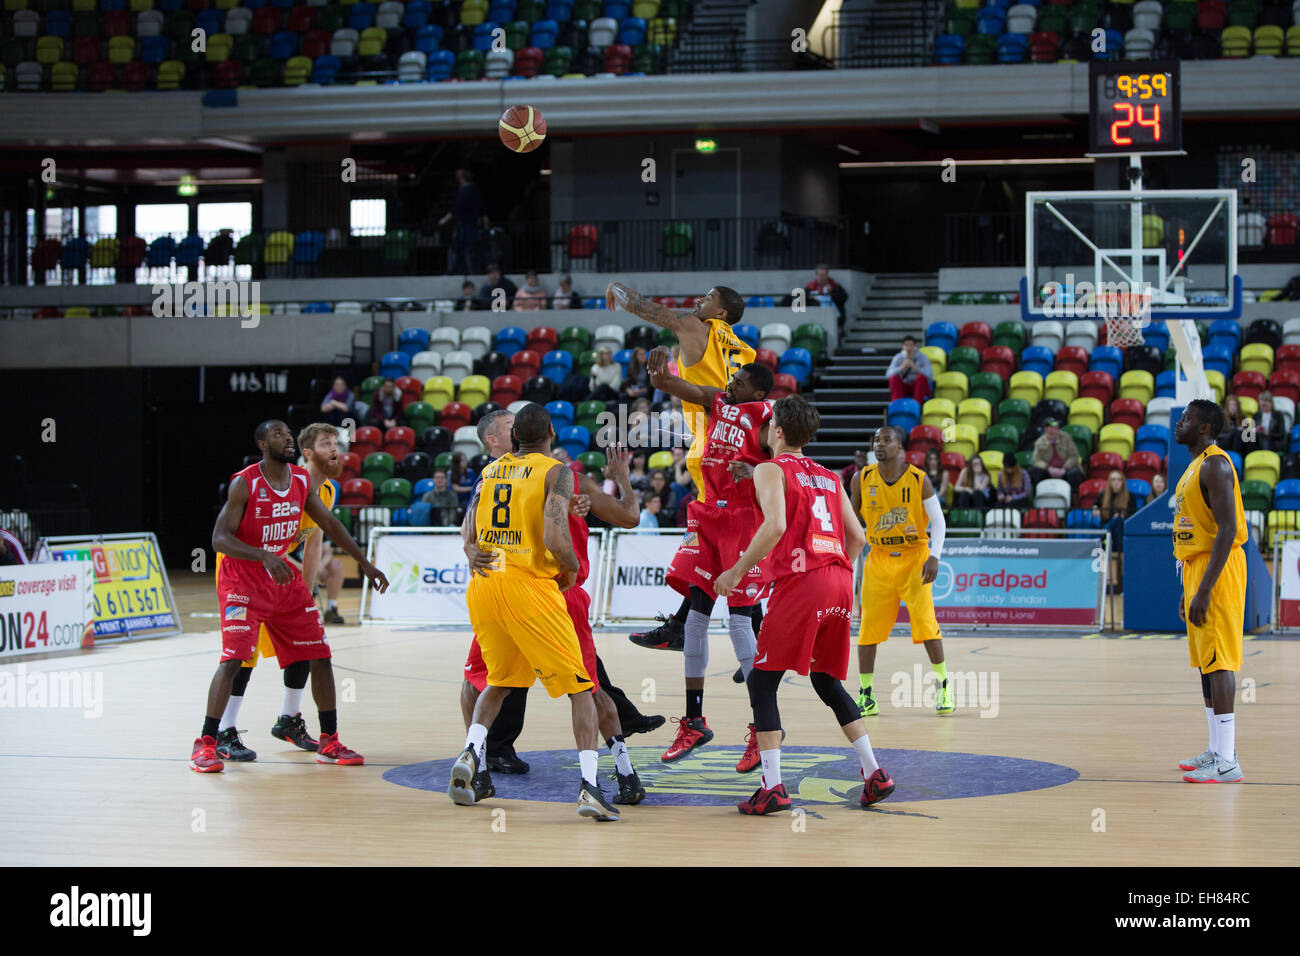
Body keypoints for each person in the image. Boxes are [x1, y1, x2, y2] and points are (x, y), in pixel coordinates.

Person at [716, 395, 894, 814]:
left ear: (777, 430)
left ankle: (773, 787)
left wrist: (736, 572)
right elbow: (858, 538)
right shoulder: (828, 475)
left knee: (762, 683)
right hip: (839, 581)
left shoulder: (769, 469)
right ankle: (874, 773)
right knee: (826, 682)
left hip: (805, 584)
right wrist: (836, 572)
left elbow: (775, 525)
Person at [449, 404, 620, 820]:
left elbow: (469, 526)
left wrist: (471, 549)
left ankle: (473, 754)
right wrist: (572, 566)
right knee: (581, 688)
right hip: (529, 585)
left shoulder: (492, 471)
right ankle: (590, 789)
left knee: (501, 680)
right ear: (550, 433)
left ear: (514, 439)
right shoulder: (555, 471)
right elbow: (554, 535)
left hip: (486, 585)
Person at [193, 420, 388, 773]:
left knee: (319, 653)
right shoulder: (245, 482)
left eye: (288, 433)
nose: (287, 438)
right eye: (278, 434)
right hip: (243, 577)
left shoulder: (301, 483)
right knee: (236, 659)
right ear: (262, 444)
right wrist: (263, 555)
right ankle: (208, 740)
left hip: (283, 578)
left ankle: (328, 740)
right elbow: (219, 539)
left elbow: (329, 525)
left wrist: (366, 564)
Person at [606, 280, 755, 653]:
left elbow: (652, 310)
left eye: (707, 298)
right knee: (722, 543)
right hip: (743, 445)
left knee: (714, 541)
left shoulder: (694, 326)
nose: (698, 300)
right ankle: (685, 625)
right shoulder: (746, 351)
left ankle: (754, 632)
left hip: (712, 448)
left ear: (720, 313)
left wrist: (619, 290)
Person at [646, 345, 775, 770]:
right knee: (695, 618)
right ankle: (694, 722)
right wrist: (660, 374)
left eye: (738, 381)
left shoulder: (766, 416)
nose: (730, 383)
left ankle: (763, 728)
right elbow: (677, 385)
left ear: (757, 390)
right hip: (709, 516)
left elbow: (787, 466)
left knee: (740, 622)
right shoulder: (718, 400)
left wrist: (756, 472)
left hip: (744, 523)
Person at [212, 421, 350, 763]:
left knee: (304, 646)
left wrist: (307, 590)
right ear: (307, 453)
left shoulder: (326, 490)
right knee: (244, 655)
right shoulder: (278, 479)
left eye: (337, 443)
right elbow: (240, 536)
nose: (335, 449)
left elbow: (314, 542)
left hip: (279, 568)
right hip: (243, 567)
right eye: (326, 443)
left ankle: (289, 719)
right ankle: (224, 731)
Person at [850, 426, 953, 718]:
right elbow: (853, 521)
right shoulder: (862, 479)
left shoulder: (920, 480)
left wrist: (934, 556)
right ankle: (866, 695)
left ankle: (944, 686)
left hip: (914, 558)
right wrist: (847, 555)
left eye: (886, 439)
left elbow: (939, 522)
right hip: (878, 558)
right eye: (876, 439)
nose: (879, 444)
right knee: (867, 629)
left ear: (900, 447)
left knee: (925, 622)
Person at [1173, 399, 1247, 784]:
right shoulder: (1195, 465)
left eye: (1187, 418)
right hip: (1198, 567)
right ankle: (1217, 750)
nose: (1179, 421)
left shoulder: (1216, 464)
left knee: (1220, 662)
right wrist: (1190, 590)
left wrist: (1205, 589)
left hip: (1219, 568)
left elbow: (1228, 530)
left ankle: (1228, 760)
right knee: (1206, 661)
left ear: (1204, 428)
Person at [1094, 469, 1137, 595]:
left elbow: (1133, 516)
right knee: (1114, 525)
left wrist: (1121, 517)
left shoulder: (1130, 496)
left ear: (1123, 482)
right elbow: (1095, 505)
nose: (1116, 482)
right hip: (1110, 528)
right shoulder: (1103, 495)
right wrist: (1095, 508)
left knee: (1118, 523)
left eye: (1119, 479)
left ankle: (1101, 537)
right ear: (1109, 482)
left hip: (1122, 529)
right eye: (1113, 479)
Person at [439, 167, 484, 276]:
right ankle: (463, 270)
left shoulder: (466, 190)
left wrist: (445, 219)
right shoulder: (472, 189)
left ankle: (458, 270)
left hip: (467, 225)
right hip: (468, 224)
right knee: (464, 249)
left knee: (463, 249)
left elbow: (457, 208)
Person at [1030, 418, 1084, 490]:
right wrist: (1048, 468)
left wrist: (1065, 468)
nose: (1055, 429)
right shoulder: (1039, 442)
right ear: (1046, 429)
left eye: (1056, 427)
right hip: (1049, 471)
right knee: (1034, 471)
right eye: (1052, 427)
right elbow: (1036, 460)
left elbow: (1074, 456)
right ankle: (1039, 495)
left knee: (1075, 473)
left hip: (1065, 469)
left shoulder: (1067, 438)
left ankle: (1073, 498)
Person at [886, 335, 933, 403]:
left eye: (911, 345)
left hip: (918, 386)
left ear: (915, 346)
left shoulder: (922, 357)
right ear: (903, 347)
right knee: (894, 378)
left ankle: (917, 405)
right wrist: (901, 368)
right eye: (906, 345)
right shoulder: (898, 357)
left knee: (921, 378)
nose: (909, 348)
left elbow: (930, 375)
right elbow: (888, 374)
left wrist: (916, 368)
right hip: (904, 386)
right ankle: (897, 404)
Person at [806, 263, 849, 329]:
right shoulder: (809, 288)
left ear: (827, 275)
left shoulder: (835, 286)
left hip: (833, 318)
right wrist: (809, 298)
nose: (822, 277)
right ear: (816, 275)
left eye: (824, 275)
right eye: (820, 275)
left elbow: (844, 298)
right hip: (814, 317)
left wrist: (832, 292)